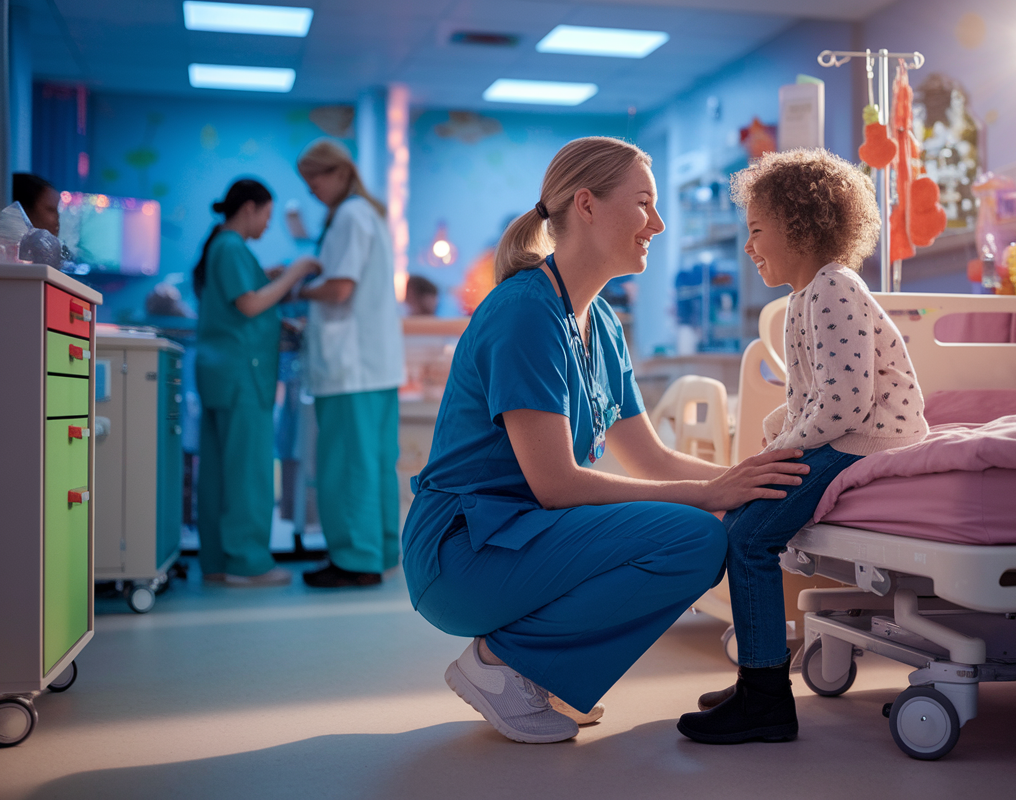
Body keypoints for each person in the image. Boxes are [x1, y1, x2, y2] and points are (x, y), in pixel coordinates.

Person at [400, 136, 810, 744]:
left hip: (521, 537)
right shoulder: (525, 313)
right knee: (694, 535)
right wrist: (707, 496)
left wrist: (742, 481)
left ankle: (529, 672)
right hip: (462, 554)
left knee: (704, 530)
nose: (659, 223)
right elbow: (558, 483)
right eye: (644, 202)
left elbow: (649, 459)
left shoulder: (603, 322)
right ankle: (503, 668)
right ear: (586, 205)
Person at [677, 149, 929, 744]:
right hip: (849, 433)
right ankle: (756, 677)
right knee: (741, 519)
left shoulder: (833, 288)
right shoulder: (808, 294)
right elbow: (816, 393)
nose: (749, 247)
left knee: (749, 535)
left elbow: (845, 405)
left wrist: (781, 448)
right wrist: (778, 432)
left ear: (801, 226)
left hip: (869, 441)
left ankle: (765, 699)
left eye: (757, 231)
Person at [194, 179, 319, 586]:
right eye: (267, 214)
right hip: (241, 376)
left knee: (218, 472)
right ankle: (247, 563)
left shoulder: (223, 248)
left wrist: (269, 279)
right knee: (247, 474)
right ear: (249, 208)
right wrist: (295, 274)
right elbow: (249, 304)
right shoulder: (231, 246)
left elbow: (243, 302)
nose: (268, 224)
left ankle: (217, 561)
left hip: (221, 373)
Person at [295, 140, 406, 588]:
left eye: (315, 179)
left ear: (338, 172)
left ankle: (355, 561)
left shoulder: (348, 216)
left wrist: (298, 286)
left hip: (349, 367)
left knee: (346, 465)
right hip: (375, 365)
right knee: (376, 462)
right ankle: (379, 551)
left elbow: (340, 289)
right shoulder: (370, 215)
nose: (312, 190)